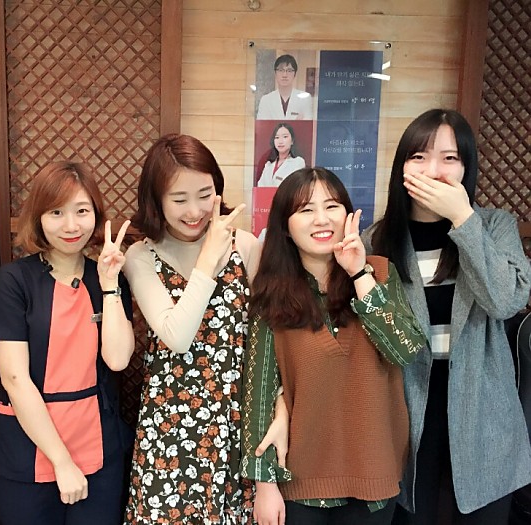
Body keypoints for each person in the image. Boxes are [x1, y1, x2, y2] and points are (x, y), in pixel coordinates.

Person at [363, 109, 531, 524]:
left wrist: (463, 219)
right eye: (418, 156)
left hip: (482, 407)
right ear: (402, 166)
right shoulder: (378, 239)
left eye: (449, 158)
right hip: (406, 407)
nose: (433, 170)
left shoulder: (494, 226)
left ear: (466, 166)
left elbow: (507, 301)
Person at [243, 167, 426, 525]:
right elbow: (259, 393)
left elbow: (404, 350)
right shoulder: (270, 298)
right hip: (299, 480)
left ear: (348, 214)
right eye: (306, 210)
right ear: (285, 226)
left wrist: (358, 273)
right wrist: (264, 484)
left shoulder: (379, 273)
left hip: (373, 475)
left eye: (331, 206)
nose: (321, 219)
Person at [0, 161, 135, 525]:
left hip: (98, 445)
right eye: (56, 212)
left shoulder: (107, 278)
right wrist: (62, 462)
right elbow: (15, 380)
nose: (71, 226)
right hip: (28, 451)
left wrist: (110, 285)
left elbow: (117, 360)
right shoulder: (14, 281)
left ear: (95, 215)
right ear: (39, 218)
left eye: (81, 211)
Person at [123, 134, 265, 524]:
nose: (195, 211)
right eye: (179, 199)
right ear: (156, 200)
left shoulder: (246, 246)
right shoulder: (141, 255)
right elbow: (177, 336)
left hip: (234, 423)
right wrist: (208, 259)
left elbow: (266, 340)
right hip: (168, 429)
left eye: (205, 194)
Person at [256, 54, 314, 121]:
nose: (284, 75)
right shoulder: (266, 100)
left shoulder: (305, 99)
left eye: (289, 71)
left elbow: (306, 124)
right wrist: (296, 122)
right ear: (275, 73)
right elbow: (263, 126)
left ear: (295, 74)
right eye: (281, 70)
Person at [256, 122, 306, 187]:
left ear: (292, 141)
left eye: (285, 137)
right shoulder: (268, 164)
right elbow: (260, 186)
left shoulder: (298, 162)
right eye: (277, 137)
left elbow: (295, 187)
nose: (280, 141)